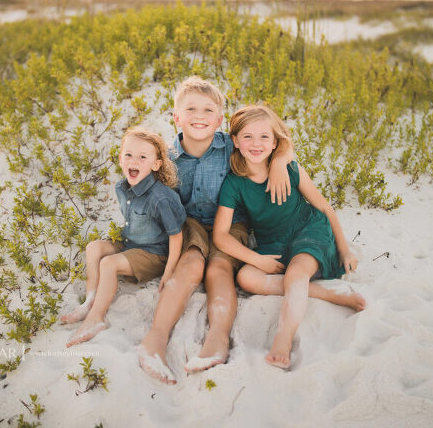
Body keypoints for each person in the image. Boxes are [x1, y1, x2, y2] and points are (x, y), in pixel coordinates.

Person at [139, 77, 293, 384]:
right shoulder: (167, 157)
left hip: (231, 222)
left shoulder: (229, 147)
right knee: (192, 265)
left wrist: (280, 163)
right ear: (176, 117)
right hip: (190, 224)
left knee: (219, 269)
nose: (200, 115)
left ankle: (218, 339)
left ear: (220, 120)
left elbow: (276, 146)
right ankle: (155, 339)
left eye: (208, 110)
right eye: (191, 108)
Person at [212, 105, 366, 369]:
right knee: (246, 277)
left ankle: (282, 339)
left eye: (264, 137)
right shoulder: (235, 182)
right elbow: (220, 235)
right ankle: (327, 294)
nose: (256, 144)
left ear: (274, 142)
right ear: (235, 141)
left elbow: (324, 207)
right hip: (274, 242)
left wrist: (344, 249)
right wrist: (256, 260)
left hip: (308, 229)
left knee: (295, 273)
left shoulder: (290, 167)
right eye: (247, 137)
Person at [61, 127, 186, 348]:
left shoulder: (160, 198)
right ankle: (90, 301)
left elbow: (176, 236)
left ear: (155, 164)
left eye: (142, 157)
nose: (133, 161)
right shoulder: (121, 187)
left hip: (153, 253)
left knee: (108, 264)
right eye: (128, 155)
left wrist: (169, 271)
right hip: (131, 243)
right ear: (120, 159)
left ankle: (96, 318)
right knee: (94, 248)